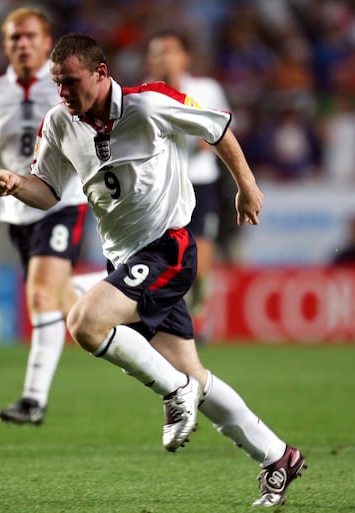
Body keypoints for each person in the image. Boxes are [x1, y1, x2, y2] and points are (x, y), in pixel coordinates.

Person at [0, 33, 305, 507]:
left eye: (71, 82)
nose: (63, 93)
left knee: (84, 321)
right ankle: (277, 456)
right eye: (57, 84)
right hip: (125, 258)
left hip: (168, 248)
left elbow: (216, 128)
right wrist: (17, 184)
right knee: (194, 376)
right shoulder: (58, 123)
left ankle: (172, 391)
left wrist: (246, 185)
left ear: (100, 74)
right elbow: (48, 190)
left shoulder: (149, 103)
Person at [0, 7, 92, 425]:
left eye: (29, 36)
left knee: (42, 294)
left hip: (63, 200)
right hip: (15, 208)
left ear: (47, 42)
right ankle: (112, 287)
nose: (22, 44)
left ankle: (33, 400)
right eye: (14, 38)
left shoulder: (64, 84)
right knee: (55, 298)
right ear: (5, 45)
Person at [145, 30, 231, 343]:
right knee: (165, 259)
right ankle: (167, 319)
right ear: (149, 60)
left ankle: (199, 318)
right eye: (157, 51)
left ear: (185, 57)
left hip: (201, 181)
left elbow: (219, 131)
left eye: (169, 50)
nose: (163, 57)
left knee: (202, 257)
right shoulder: (143, 95)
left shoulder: (206, 89)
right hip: (162, 187)